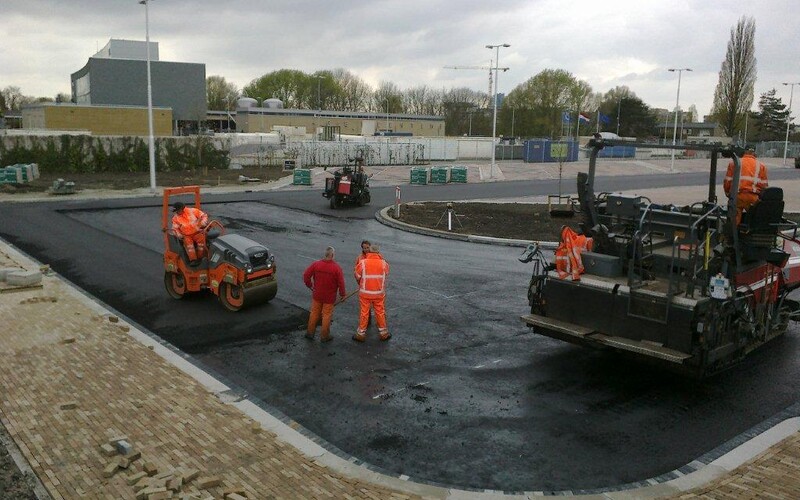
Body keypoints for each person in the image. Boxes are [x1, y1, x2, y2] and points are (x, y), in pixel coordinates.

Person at [303, 246, 346, 342]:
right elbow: (341, 283)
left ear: (325, 254)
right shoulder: (336, 268)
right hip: (329, 297)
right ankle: (324, 336)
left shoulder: (316, 264)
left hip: (317, 295)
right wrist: (343, 294)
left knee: (314, 313)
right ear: (333, 255)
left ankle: (310, 333)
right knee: (326, 315)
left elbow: (306, 275)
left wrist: (310, 285)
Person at [353, 243, 390, 342]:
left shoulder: (363, 262)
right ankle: (383, 333)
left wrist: (360, 283)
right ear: (378, 252)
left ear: (369, 251)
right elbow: (386, 273)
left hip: (365, 293)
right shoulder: (384, 263)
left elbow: (357, 275)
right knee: (380, 312)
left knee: (364, 313)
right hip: (378, 293)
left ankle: (360, 334)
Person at [724, 146, 768, 224]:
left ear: (744, 152)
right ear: (754, 152)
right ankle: (752, 232)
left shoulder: (734, 163)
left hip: (737, 196)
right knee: (754, 220)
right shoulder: (761, 166)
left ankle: (733, 233)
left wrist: (728, 194)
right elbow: (764, 186)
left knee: (734, 220)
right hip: (753, 198)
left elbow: (728, 182)